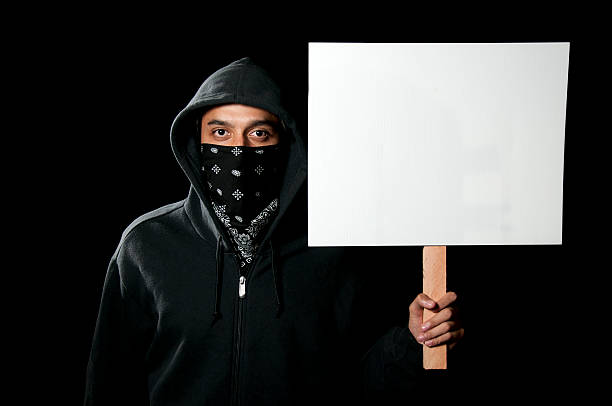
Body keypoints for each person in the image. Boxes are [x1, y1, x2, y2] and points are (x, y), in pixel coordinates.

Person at [84, 57, 464, 405]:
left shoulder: (331, 250)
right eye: (220, 133)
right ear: (195, 142)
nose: (239, 149)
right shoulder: (147, 246)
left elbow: (359, 383)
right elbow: (110, 384)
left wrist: (414, 342)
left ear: (286, 143)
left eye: (259, 134)